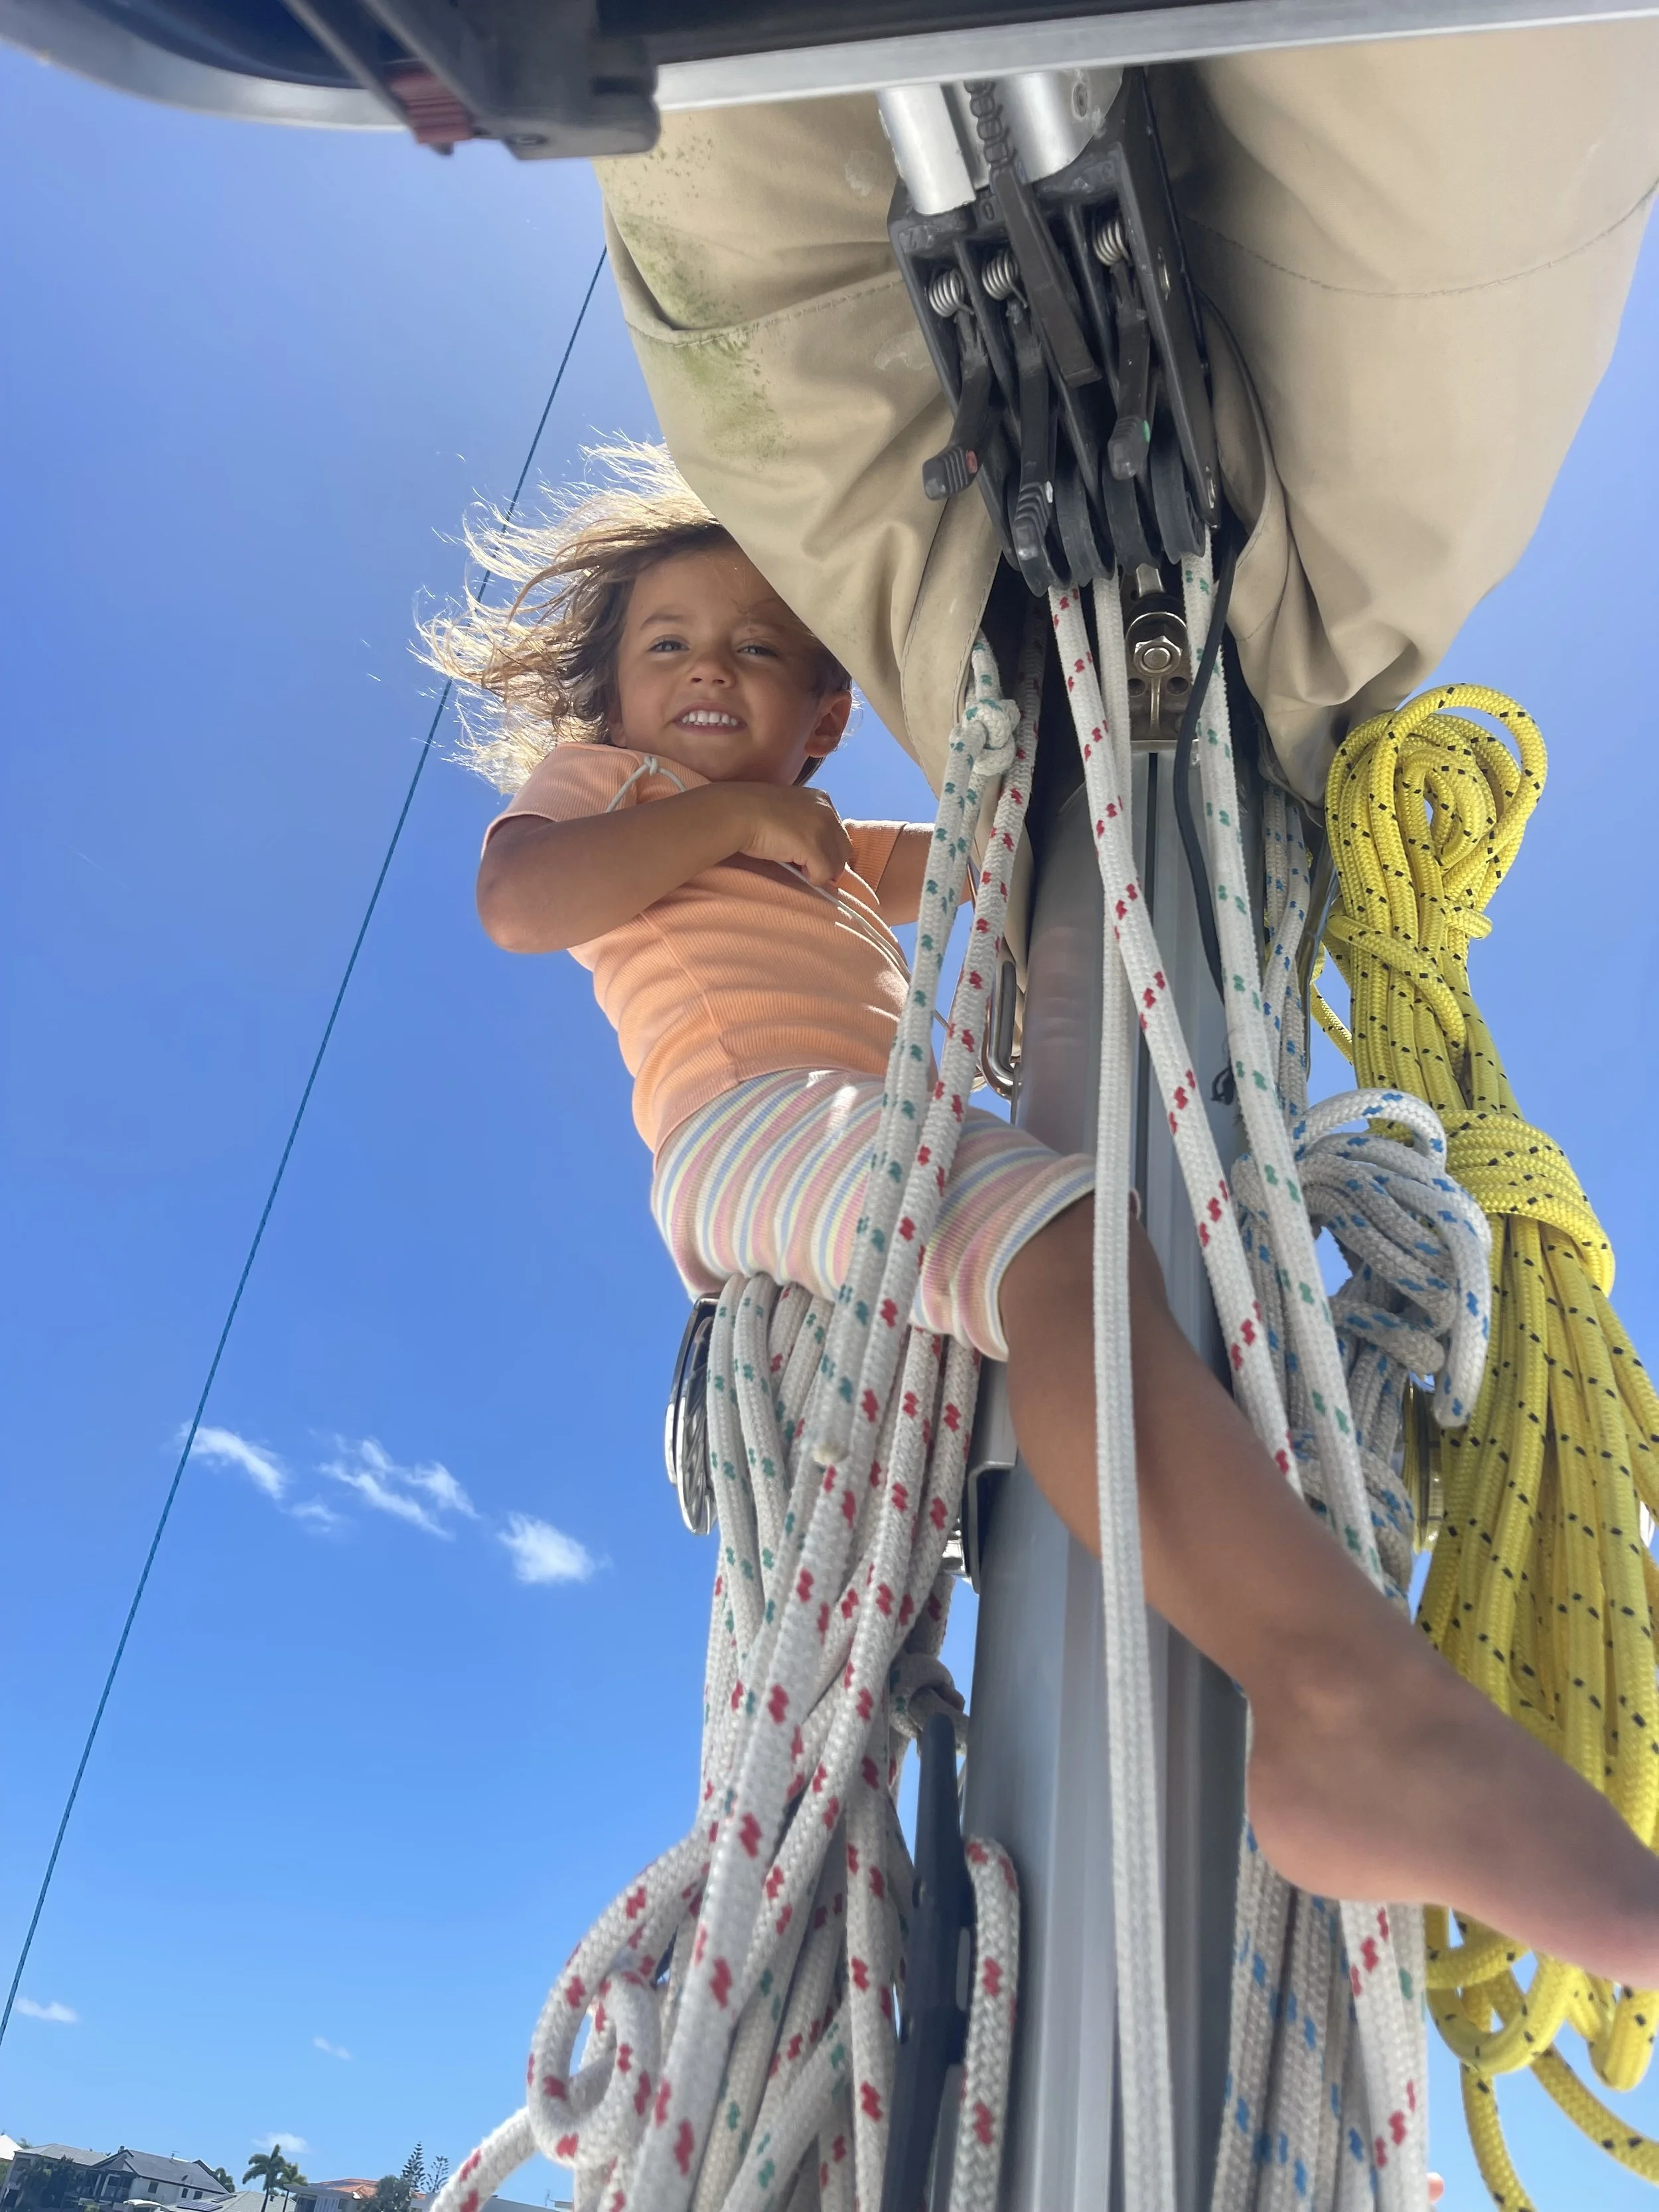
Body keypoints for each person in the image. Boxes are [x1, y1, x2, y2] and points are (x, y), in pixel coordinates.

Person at [425, 445, 1659, 2006]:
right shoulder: (623, 793)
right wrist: (726, 823)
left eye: (758, 647)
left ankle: (1292, 1658)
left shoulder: (823, 846)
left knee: (1081, 1260)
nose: (709, 669)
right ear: (613, 701)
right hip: (749, 1123)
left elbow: (1007, 857)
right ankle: (1331, 1698)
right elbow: (521, 900)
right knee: (1057, 1243)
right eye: (667, 644)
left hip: (850, 1132)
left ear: (824, 716)